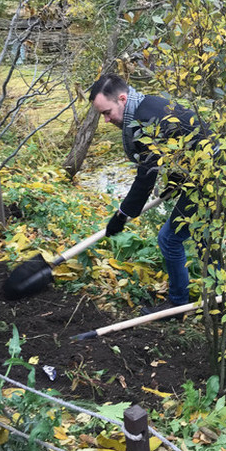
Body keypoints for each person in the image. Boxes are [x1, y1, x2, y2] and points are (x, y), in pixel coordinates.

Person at [89, 73, 209, 314]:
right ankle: (214, 301)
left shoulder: (145, 121)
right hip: (202, 174)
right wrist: (177, 179)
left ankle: (178, 304)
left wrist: (122, 215)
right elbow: (179, 142)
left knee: (171, 239)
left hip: (212, 179)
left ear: (122, 99)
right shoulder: (148, 104)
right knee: (202, 239)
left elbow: (146, 176)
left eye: (107, 112)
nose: (106, 120)